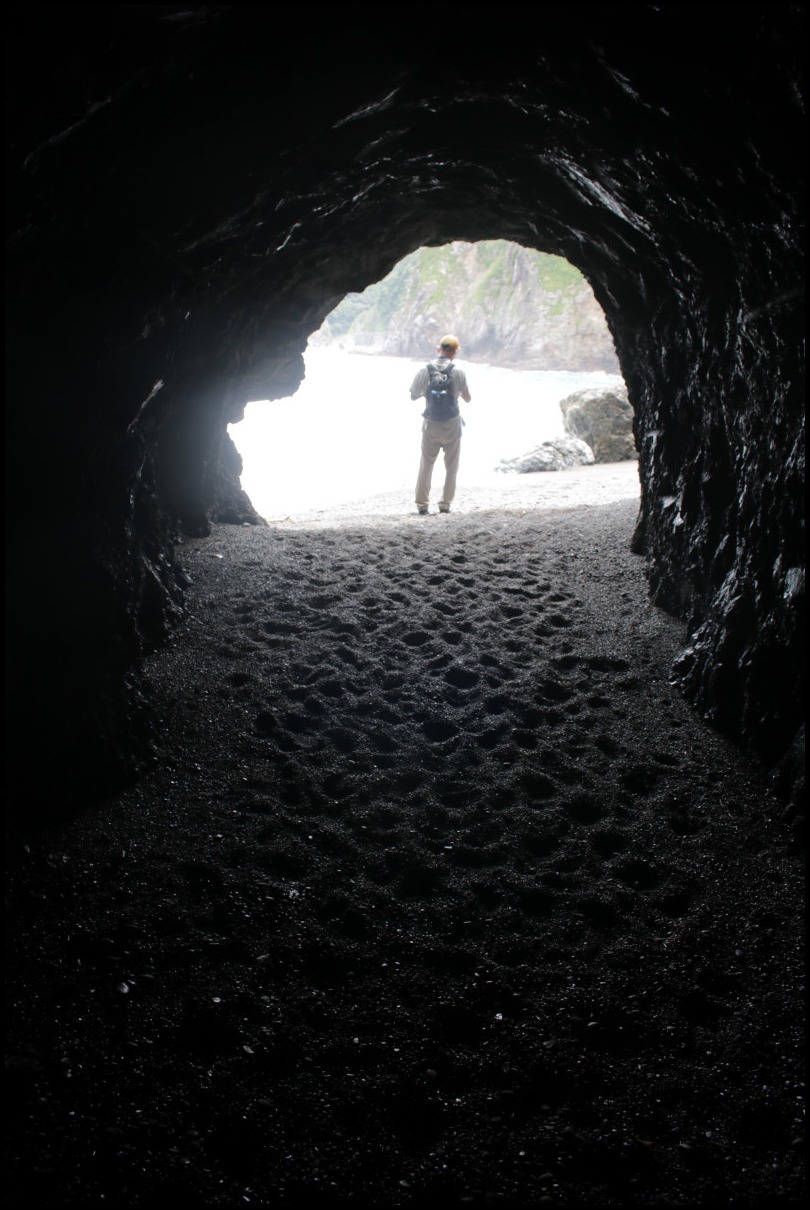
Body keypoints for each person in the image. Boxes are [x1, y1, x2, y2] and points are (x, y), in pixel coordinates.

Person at [409, 334, 472, 515]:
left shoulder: (424, 370)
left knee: (426, 464)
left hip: (430, 423)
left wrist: (426, 393)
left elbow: (413, 395)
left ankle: (422, 504)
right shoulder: (458, 372)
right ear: (454, 352)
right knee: (451, 466)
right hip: (452, 423)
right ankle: (445, 504)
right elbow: (467, 398)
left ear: (439, 349)